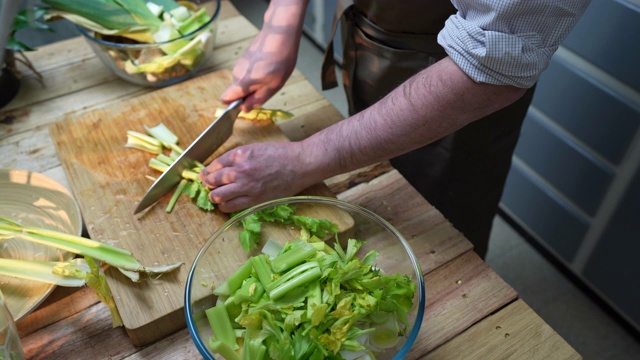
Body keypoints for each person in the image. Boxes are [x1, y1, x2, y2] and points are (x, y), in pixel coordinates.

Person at [199, 0, 590, 258]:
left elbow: (490, 69)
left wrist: (304, 158)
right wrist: (280, 22)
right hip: (377, 35)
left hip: (460, 95)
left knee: (435, 242)